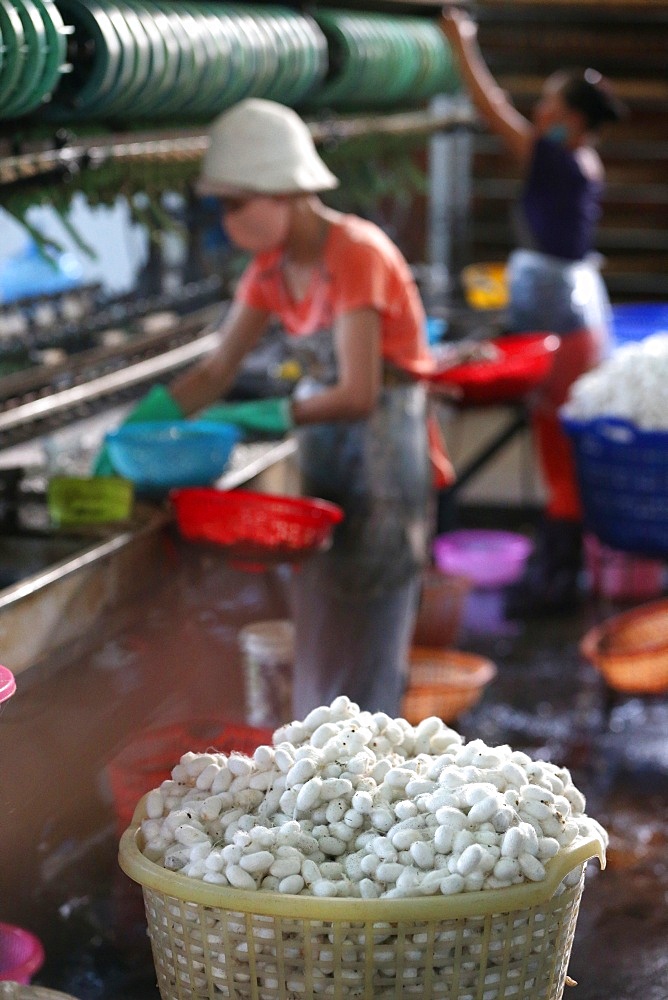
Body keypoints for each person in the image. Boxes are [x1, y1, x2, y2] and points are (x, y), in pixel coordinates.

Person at [99, 98, 452, 718]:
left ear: (282, 192)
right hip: (330, 462)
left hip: (383, 461)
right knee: (321, 620)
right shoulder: (271, 269)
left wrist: (270, 417)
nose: (228, 222)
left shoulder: (355, 254)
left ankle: (379, 787)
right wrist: (138, 427)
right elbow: (216, 369)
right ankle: (326, 778)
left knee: (370, 626)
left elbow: (360, 393)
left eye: (236, 205)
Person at [440, 8, 627, 614]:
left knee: (558, 459)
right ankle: (560, 574)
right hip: (580, 321)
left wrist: (461, 43)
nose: (538, 114)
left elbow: (491, 106)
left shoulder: (555, 158)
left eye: (548, 105)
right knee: (562, 456)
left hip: (563, 335)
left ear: (570, 120)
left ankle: (555, 582)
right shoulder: (583, 161)